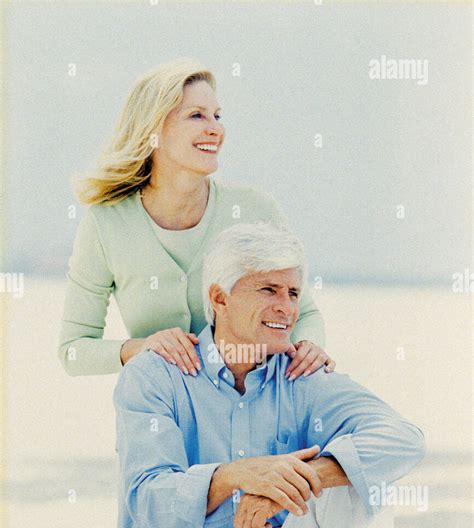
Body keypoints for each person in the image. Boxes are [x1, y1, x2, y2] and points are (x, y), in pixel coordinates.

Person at [100, 222, 428, 528]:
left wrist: (293, 484)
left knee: (360, 472)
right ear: (219, 297)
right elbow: (147, 498)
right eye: (268, 289)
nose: (286, 308)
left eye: (293, 292)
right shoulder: (155, 376)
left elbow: (404, 439)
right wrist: (236, 477)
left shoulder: (302, 375)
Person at [58, 58, 333, 380]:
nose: (215, 128)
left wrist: (308, 347)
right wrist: (144, 347)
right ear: (153, 130)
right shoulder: (106, 223)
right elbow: (73, 351)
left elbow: (305, 313)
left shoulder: (255, 209)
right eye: (196, 115)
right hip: (162, 409)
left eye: (217, 116)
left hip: (256, 404)